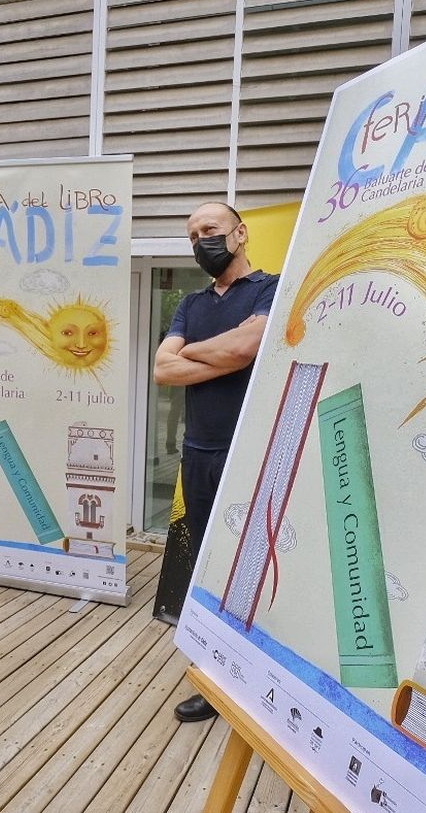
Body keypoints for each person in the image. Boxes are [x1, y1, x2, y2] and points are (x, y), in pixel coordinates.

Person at [153, 201, 279, 723]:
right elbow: (163, 369)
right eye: (193, 235)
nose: (201, 240)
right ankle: (214, 674)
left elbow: (250, 347)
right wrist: (224, 352)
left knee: (249, 566)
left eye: (211, 230)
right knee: (208, 566)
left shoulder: (271, 288)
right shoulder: (191, 301)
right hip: (198, 453)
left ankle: (258, 676)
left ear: (240, 234)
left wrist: (199, 353)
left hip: (249, 451)